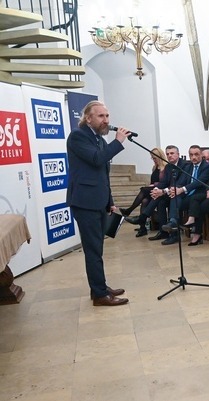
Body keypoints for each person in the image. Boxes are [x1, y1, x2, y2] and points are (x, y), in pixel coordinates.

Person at [66, 100, 130, 306]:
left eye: (107, 116)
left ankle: (99, 287)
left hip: (98, 201)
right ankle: (100, 295)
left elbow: (102, 173)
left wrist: (109, 201)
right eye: (101, 116)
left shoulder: (99, 139)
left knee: (98, 248)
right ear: (88, 118)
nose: (106, 120)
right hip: (85, 202)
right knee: (93, 250)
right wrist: (118, 142)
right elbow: (96, 159)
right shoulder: (78, 136)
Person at [119, 147, 167, 221]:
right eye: (152, 158)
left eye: (155, 158)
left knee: (143, 190)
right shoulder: (154, 167)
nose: (154, 160)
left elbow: (165, 182)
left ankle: (129, 210)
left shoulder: (165, 167)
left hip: (160, 190)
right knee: (144, 200)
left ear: (159, 157)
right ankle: (142, 227)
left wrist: (154, 184)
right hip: (153, 190)